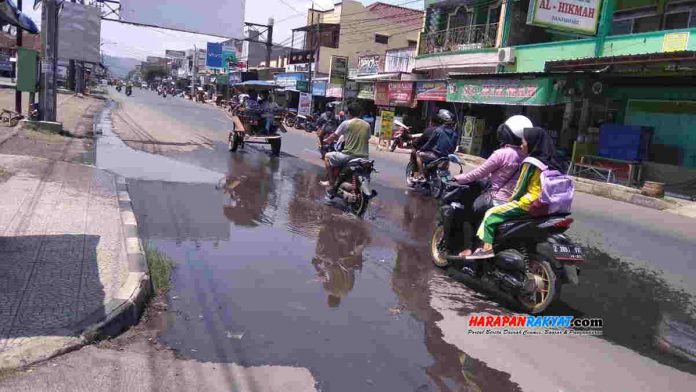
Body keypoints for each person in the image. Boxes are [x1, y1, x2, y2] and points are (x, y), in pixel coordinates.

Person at [469, 127, 561, 259]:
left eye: (524, 141)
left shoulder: (531, 162)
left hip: (529, 203)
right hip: (549, 206)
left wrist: (511, 201)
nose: (522, 144)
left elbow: (520, 189)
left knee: (490, 214)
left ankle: (486, 248)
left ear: (532, 143)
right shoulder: (552, 163)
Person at [447, 115, 531, 258]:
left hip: (497, 199)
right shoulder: (527, 156)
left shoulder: (501, 154)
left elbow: (479, 173)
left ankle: (468, 248)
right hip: (515, 201)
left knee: (467, 210)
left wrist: (459, 178)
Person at [320, 103, 371, 198]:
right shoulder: (367, 125)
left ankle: (331, 182)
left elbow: (334, 136)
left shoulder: (346, 123)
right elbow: (367, 138)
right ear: (360, 113)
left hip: (348, 155)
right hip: (364, 158)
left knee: (327, 156)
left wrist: (327, 140)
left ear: (349, 113)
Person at [414, 109, 458, 181]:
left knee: (418, 154)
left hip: (436, 155)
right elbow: (454, 147)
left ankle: (421, 174)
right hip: (447, 157)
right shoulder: (454, 133)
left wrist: (422, 149)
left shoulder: (438, 130)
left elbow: (430, 142)